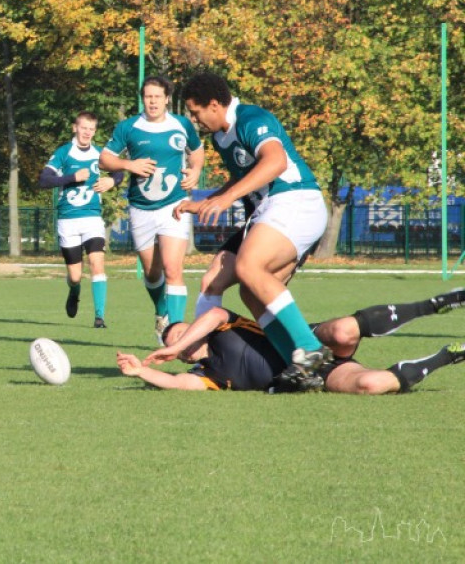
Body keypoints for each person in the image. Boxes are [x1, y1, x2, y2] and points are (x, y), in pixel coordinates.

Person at [175, 72, 329, 389]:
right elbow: (245, 175)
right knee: (224, 284)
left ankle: (311, 347)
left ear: (214, 104)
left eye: (195, 111)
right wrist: (208, 201)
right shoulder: (220, 137)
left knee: (249, 267)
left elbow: (275, 162)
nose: (194, 119)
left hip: (296, 200)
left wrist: (226, 198)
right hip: (266, 212)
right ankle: (298, 366)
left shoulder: (252, 119)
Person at [116, 288, 465, 393]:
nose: (180, 342)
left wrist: (175, 344)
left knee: (343, 331)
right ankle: (448, 355)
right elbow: (176, 383)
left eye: (181, 332)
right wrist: (140, 371)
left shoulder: (222, 326)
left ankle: (433, 304)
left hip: (307, 344)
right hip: (316, 375)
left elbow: (215, 313)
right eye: (175, 342)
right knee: (371, 385)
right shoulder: (208, 374)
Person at [99, 76, 204, 341]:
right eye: (148, 97)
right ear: (142, 99)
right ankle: (160, 312)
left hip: (174, 205)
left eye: (157, 96)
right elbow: (104, 159)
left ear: (167, 98)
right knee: (152, 272)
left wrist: (196, 170)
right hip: (141, 208)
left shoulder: (181, 124)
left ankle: (176, 334)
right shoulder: (129, 127)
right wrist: (128, 165)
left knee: (173, 269)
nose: (153, 102)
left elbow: (197, 151)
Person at [38, 111, 121, 328]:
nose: (87, 132)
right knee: (75, 276)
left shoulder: (99, 154)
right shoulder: (64, 152)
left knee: (97, 263)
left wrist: (111, 181)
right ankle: (74, 291)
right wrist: (72, 178)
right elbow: (44, 180)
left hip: (92, 218)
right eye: (84, 128)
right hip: (68, 220)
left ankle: (99, 317)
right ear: (75, 128)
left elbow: (119, 171)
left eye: (91, 129)